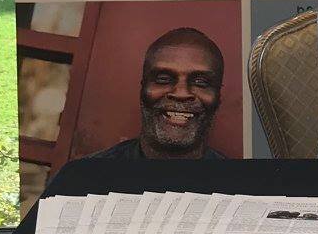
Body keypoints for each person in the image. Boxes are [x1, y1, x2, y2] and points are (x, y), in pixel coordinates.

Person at [80, 27, 230, 160]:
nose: (181, 93)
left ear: (218, 97)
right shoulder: (86, 175)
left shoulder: (236, 181)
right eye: (163, 79)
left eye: (200, 82)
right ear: (143, 89)